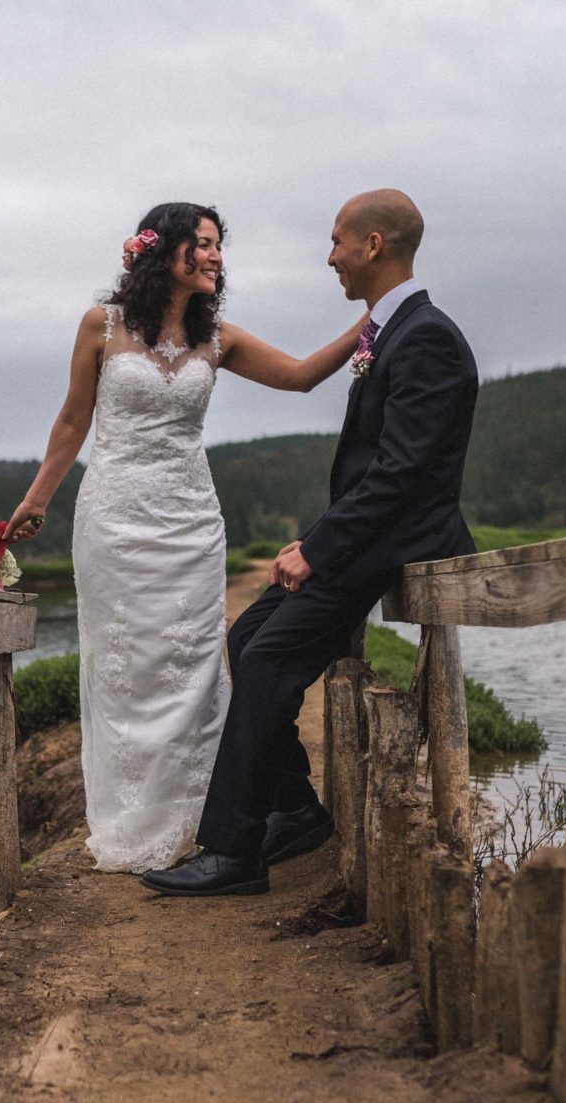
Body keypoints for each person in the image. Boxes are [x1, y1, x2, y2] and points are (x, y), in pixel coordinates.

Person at [5, 202, 367, 873]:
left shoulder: (218, 338)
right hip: (113, 518)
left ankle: (208, 815)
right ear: (163, 250)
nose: (215, 256)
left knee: (196, 668)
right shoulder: (101, 325)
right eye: (203, 244)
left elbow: (299, 375)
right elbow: (71, 421)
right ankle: (137, 818)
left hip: (192, 523)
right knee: (128, 670)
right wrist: (35, 502)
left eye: (219, 246)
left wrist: (371, 323)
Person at [143, 189, 479, 896]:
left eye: (336, 242)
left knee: (266, 660)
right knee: (247, 640)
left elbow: (400, 474)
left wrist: (319, 549)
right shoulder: (389, 332)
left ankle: (234, 850)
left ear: (373, 246)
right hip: (363, 540)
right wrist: (316, 539)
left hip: (392, 545)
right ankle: (295, 809)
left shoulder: (427, 336)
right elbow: (376, 471)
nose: (330, 256)